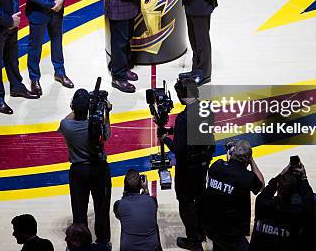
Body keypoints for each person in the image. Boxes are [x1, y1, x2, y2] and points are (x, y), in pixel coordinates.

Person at [162, 73, 215, 250]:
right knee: (200, 198)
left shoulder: (183, 118)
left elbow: (181, 151)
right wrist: (174, 131)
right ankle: (202, 231)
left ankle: (193, 240)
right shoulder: (206, 109)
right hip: (202, 164)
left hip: (187, 169)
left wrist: (166, 139)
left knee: (186, 202)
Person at [58, 89, 112, 247]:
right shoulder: (96, 125)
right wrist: (103, 112)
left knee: (79, 209)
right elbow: (107, 135)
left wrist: (79, 107)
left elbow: (67, 118)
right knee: (102, 208)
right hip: (99, 169)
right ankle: (103, 242)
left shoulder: (66, 126)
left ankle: (81, 243)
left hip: (78, 171)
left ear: (72, 107)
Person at [202, 140, 264, 251]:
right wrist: (252, 161)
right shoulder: (246, 177)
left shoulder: (217, 166)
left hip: (210, 226)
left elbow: (229, 171)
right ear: (247, 159)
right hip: (231, 234)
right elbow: (261, 185)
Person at [249, 163, 315, 251]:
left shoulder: (261, 203)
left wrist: (281, 175)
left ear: (278, 187)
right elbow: (309, 202)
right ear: (294, 194)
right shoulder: (297, 212)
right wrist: (304, 178)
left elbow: (267, 190)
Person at [113, 169, 161, 251]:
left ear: (125, 186)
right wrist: (146, 189)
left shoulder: (119, 205)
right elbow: (149, 204)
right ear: (141, 185)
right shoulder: (152, 201)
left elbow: (119, 216)